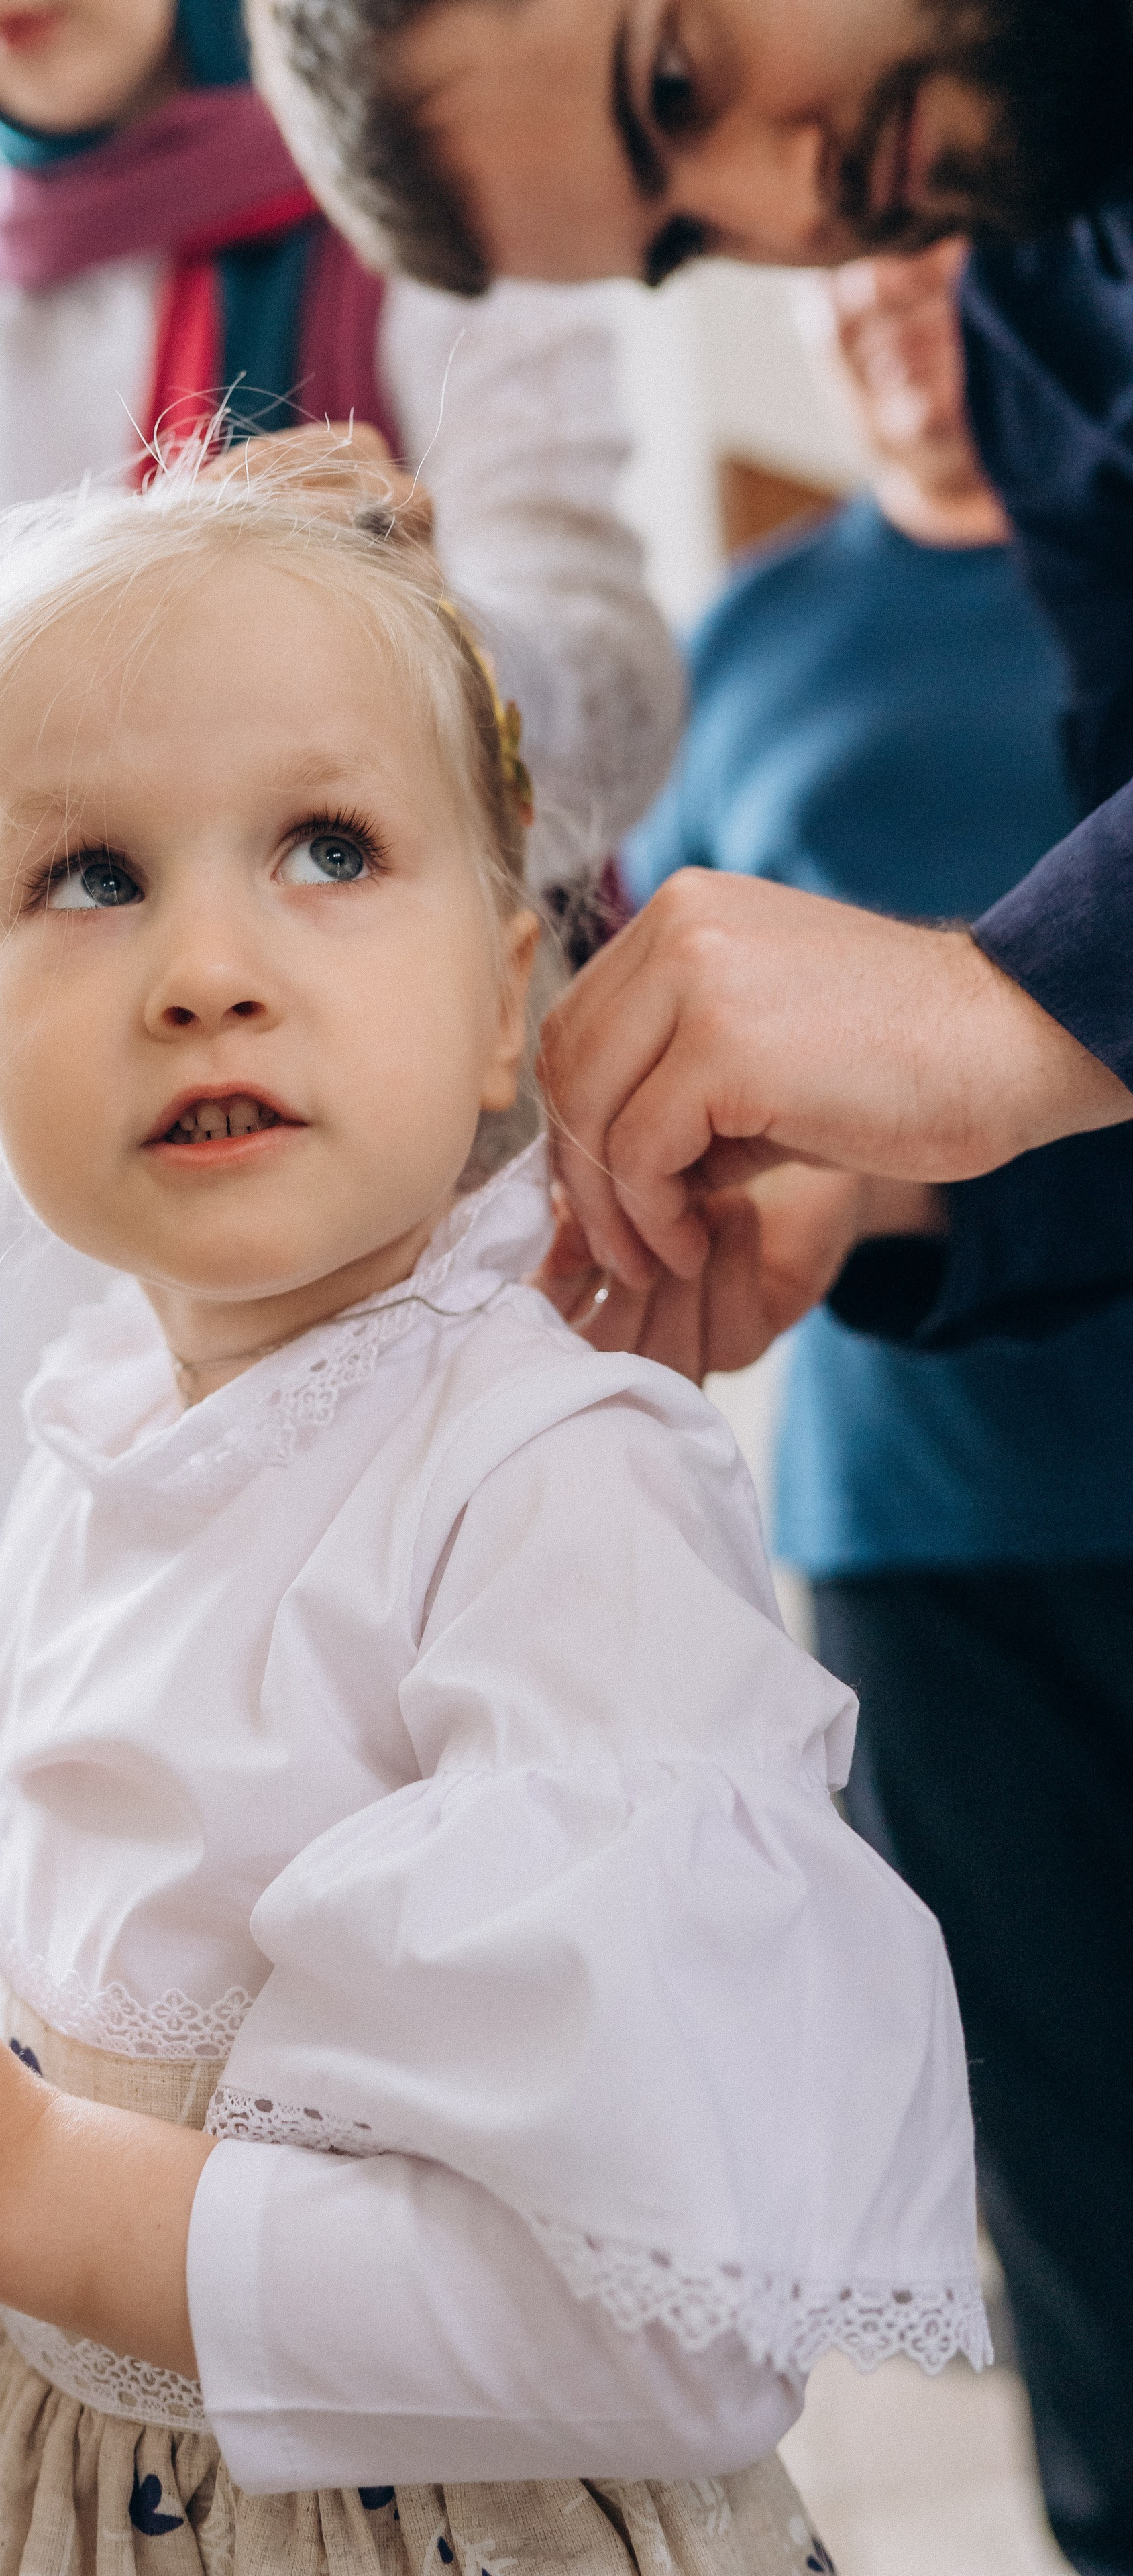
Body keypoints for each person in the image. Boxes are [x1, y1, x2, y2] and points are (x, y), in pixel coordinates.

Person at [0, 465, 986, 2575]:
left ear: (513, 993)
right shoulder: (98, 1446)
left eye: (328, 848)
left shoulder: (546, 1484)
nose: (207, 965)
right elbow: (78, 1949)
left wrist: (11, 2184)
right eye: (89, 875)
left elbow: (657, 2322)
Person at [0, 0, 682, 1943]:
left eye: (320, 845)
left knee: (384, 1848)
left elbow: (612, 693)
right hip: (29, 1277)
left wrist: (396, 624)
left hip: (375, 1223)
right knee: (10, 1851)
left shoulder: (437, 209)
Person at [247, 0, 1133, 1362]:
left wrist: (1004, 1004)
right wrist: (874, 1186)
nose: (791, 205)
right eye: (685, 241)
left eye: (672, 82)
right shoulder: (1040, 324)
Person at [623, 238, 1133, 2576]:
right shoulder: (752, 639)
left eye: (927, 257)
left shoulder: (1102, 552)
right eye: (828, 282)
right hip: (921, 1528)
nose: (885, 311)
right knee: (1075, 2194)